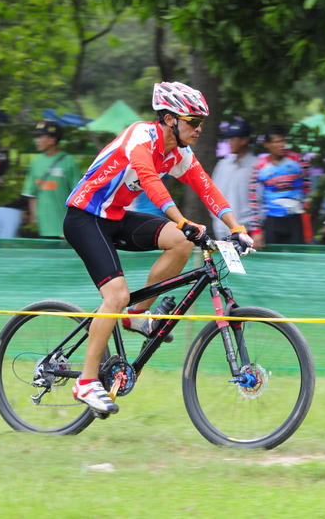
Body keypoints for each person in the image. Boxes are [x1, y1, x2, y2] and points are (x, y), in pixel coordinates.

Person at [63, 81, 254, 414]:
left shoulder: (178, 153)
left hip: (115, 217)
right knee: (116, 296)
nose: (199, 128)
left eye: (201, 122)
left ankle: (136, 316)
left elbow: (206, 187)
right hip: (85, 217)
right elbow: (150, 182)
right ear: (169, 119)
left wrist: (237, 227)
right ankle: (86, 382)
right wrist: (182, 220)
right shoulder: (140, 137)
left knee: (180, 242)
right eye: (193, 121)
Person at [248, 125, 311, 249]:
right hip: (272, 220)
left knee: (297, 256)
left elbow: (307, 185)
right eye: (277, 142)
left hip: (295, 219)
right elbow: (253, 200)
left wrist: (302, 204)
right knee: (272, 257)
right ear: (267, 144)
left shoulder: (298, 160)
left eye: (283, 141)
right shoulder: (259, 167)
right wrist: (256, 230)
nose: (282, 145)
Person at [22, 121, 82, 239]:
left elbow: (79, 194)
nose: (37, 140)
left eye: (40, 137)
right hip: (43, 225)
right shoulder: (36, 162)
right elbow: (32, 193)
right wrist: (34, 216)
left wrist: (76, 221)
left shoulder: (69, 161)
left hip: (65, 224)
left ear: (52, 140)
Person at [210, 120, 257, 240]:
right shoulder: (222, 165)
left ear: (244, 140)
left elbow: (259, 201)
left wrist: (255, 228)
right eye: (228, 138)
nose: (229, 142)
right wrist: (217, 221)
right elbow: (211, 194)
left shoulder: (256, 165)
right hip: (221, 231)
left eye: (233, 138)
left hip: (246, 231)